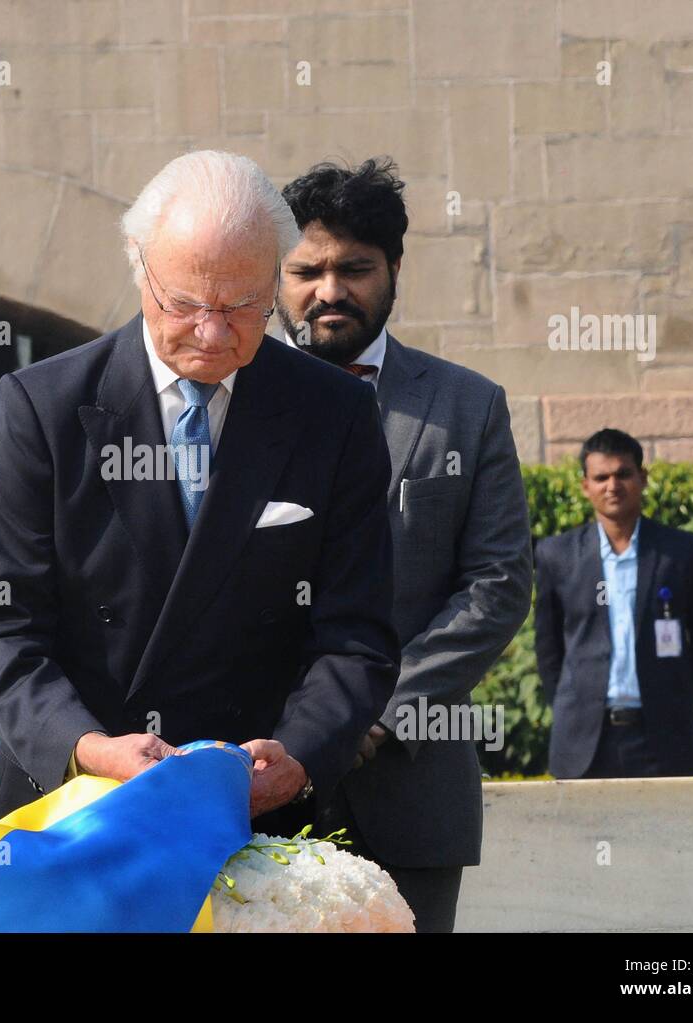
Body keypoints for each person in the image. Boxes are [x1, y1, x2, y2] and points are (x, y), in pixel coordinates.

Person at [0, 151, 400, 842]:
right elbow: (0, 633)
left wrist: (300, 755)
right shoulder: (42, 408)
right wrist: (89, 748)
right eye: (186, 304)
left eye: (243, 306)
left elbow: (357, 634)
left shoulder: (334, 412)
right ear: (141, 270)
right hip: (67, 810)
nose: (213, 334)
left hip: (254, 821)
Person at [278, 158, 533, 933]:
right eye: (307, 269)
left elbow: (496, 584)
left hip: (410, 785)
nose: (330, 290)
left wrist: (381, 714)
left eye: (355, 268)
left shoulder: (467, 407)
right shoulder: (230, 404)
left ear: (394, 268)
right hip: (254, 783)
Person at [534, 428, 693, 779]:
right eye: (601, 477)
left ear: (642, 478)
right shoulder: (555, 555)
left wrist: (671, 692)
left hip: (664, 740)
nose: (613, 485)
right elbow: (548, 650)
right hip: (583, 743)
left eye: (623, 474)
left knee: (665, 835)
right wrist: (575, 701)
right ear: (585, 486)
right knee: (584, 835)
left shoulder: (682, 553)